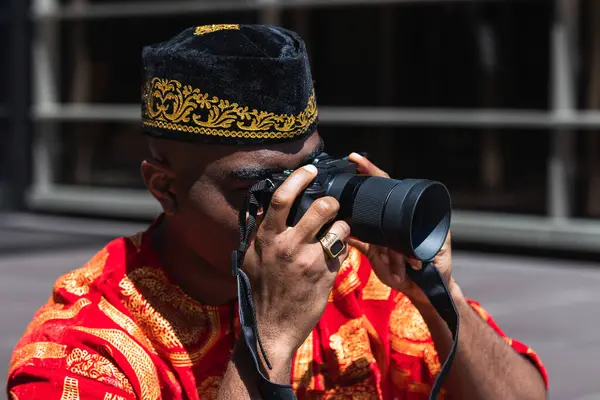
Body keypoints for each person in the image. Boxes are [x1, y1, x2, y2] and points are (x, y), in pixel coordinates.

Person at [6, 24, 548, 400]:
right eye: (262, 188)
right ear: (165, 187)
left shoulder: (359, 279)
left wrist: (436, 295)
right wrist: (268, 340)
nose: (300, 211)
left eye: (312, 173)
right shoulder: (83, 346)